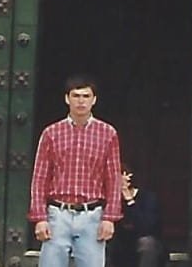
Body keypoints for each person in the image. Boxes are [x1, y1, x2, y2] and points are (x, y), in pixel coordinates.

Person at [29, 75, 124, 267]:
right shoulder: (51, 133)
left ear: (94, 100)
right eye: (76, 95)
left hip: (92, 215)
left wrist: (110, 218)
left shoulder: (108, 134)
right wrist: (39, 217)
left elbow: (113, 179)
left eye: (86, 96)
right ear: (67, 98)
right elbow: (40, 178)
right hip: (58, 213)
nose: (81, 101)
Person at [111, 170, 164, 267]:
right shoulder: (112, 198)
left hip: (140, 240)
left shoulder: (148, 198)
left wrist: (130, 201)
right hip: (119, 244)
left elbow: (146, 228)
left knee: (147, 244)